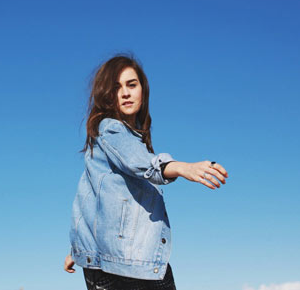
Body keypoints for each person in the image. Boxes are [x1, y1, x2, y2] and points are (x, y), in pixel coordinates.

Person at [63, 53, 229, 290]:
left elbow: (90, 200)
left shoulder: (118, 139)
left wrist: (81, 249)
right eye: (116, 87)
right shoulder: (111, 129)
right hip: (128, 265)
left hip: (110, 262)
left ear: (143, 90)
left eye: (131, 85)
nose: (125, 93)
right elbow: (138, 162)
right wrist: (182, 167)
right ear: (106, 95)